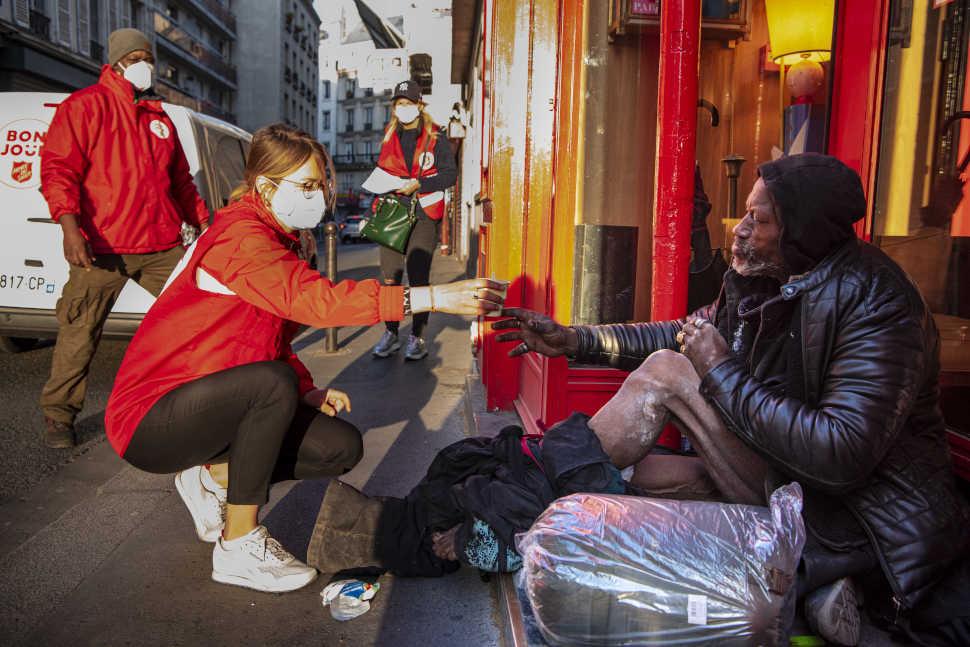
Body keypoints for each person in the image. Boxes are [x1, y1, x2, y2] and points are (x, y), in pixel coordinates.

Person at [494, 154, 970, 645]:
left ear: (800, 232)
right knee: (633, 479)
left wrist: (719, 370)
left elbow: (840, 453)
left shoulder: (876, 300)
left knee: (665, 373)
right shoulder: (768, 277)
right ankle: (811, 589)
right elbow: (683, 333)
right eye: (745, 213)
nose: (740, 230)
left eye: (758, 220)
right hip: (787, 480)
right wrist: (576, 340)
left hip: (852, 516)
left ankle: (517, 501)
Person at [103, 124, 503, 593]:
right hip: (150, 418)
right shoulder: (242, 237)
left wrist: (306, 388)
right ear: (267, 187)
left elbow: (269, 333)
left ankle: (212, 477)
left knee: (338, 446)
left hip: (211, 399)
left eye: (323, 184)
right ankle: (239, 546)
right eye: (308, 185)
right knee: (271, 386)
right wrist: (431, 296)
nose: (321, 196)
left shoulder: (278, 235)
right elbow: (316, 302)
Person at [39, 28, 209, 449]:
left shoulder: (159, 117)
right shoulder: (85, 107)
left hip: (161, 244)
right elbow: (59, 170)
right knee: (80, 333)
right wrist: (69, 227)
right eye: (134, 57)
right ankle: (59, 416)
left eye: (147, 56)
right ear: (115, 63)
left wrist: (204, 226)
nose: (143, 64)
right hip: (103, 247)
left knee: (197, 317)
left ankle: (202, 400)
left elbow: (182, 183)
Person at [371, 80, 458, 361]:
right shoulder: (388, 136)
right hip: (394, 212)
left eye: (408, 103)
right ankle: (391, 333)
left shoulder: (436, 137)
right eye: (399, 104)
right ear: (394, 107)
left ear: (420, 105)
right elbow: (382, 170)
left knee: (418, 277)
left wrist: (418, 183)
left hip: (423, 213)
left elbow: (449, 175)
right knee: (390, 278)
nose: (403, 108)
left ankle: (417, 336)